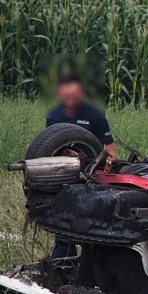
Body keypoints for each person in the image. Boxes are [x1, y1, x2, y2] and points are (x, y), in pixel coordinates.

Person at [45, 73, 115, 259]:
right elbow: (48, 144)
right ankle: (61, 261)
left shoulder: (95, 116)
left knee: (87, 223)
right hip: (61, 174)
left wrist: (102, 172)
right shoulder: (53, 115)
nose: (70, 100)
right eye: (65, 95)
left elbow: (110, 152)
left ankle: (89, 261)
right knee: (62, 223)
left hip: (88, 176)